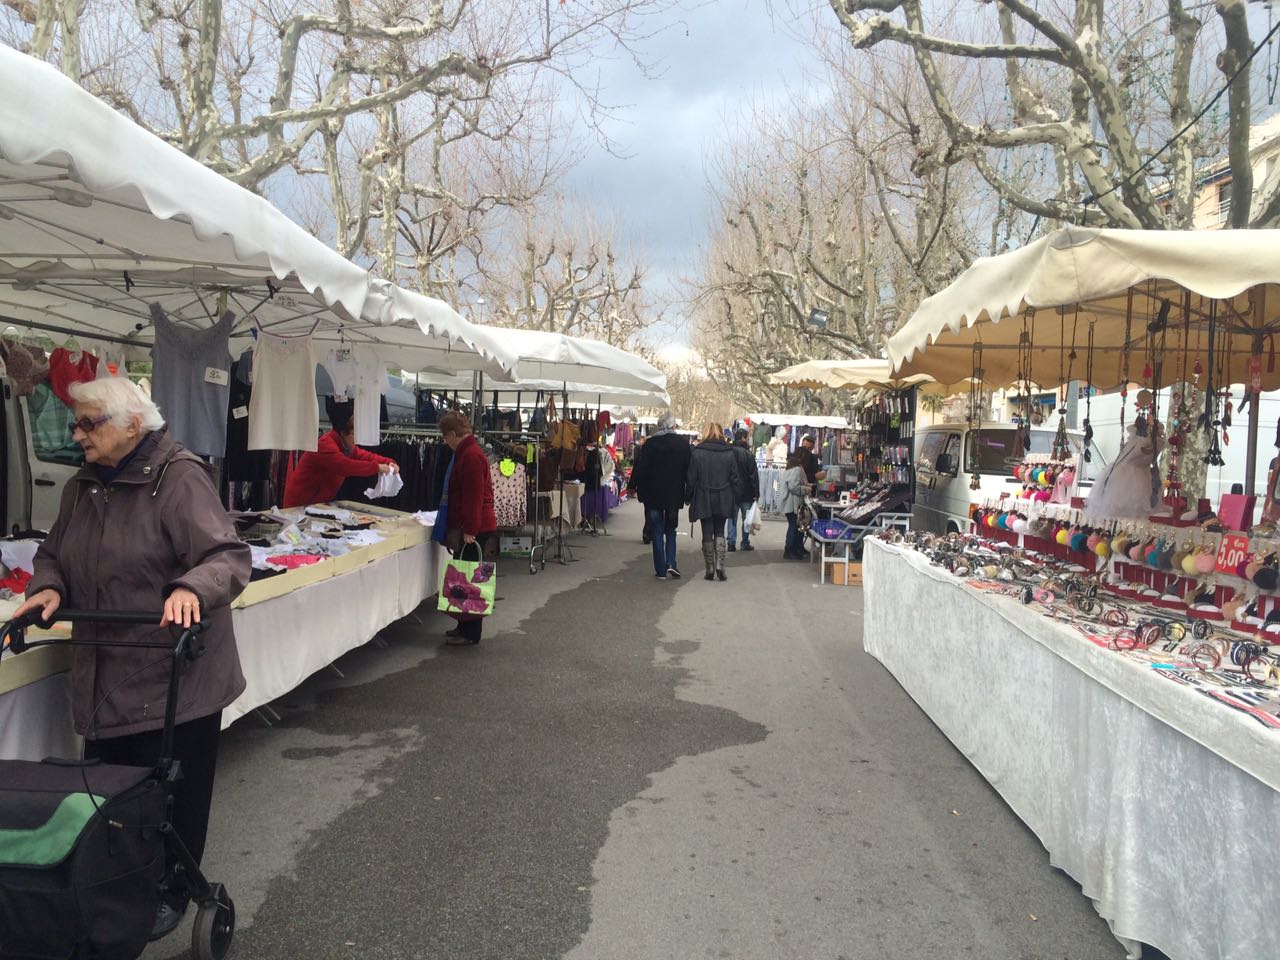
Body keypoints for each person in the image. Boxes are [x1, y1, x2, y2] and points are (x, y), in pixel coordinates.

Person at [15, 377, 251, 940]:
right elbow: (53, 553)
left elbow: (227, 555)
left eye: (88, 423)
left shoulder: (179, 477)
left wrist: (191, 587)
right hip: (104, 670)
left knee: (170, 794)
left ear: (131, 424)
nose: (77, 434)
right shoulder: (82, 487)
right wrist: (47, 586)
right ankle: (116, 881)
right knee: (112, 794)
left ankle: (172, 884)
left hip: (173, 674)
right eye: (78, 423)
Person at [436, 410, 498, 645]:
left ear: (453, 434)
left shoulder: (470, 456)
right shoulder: (470, 453)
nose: (445, 441)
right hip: (475, 525)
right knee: (467, 576)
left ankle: (470, 632)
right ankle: (463, 626)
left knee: (471, 578)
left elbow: (474, 496)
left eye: (445, 437)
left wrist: (470, 529)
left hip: (475, 527)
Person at [282, 414, 398, 507]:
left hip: (316, 504)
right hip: (298, 506)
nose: (356, 439)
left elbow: (365, 455)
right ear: (343, 433)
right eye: (353, 434)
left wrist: (389, 461)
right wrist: (377, 467)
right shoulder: (325, 445)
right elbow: (345, 466)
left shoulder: (344, 446)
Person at [631, 412, 691, 579]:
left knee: (657, 530)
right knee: (671, 529)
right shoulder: (682, 445)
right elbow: (689, 470)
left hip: (653, 494)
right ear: (672, 426)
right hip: (674, 494)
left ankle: (660, 570)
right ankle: (671, 562)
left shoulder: (650, 445)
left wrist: (633, 486)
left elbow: (640, 468)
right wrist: (689, 492)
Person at [686, 422, 744, 582]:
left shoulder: (698, 453)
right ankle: (720, 565)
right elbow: (735, 478)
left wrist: (688, 496)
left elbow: (691, 478)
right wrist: (737, 495)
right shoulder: (729, 452)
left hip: (704, 496)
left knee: (707, 530)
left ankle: (710, 568)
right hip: (724, 495)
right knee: (720, 530)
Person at [725, 428, 760, 552]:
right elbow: (753, 476)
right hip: (747, 492)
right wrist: (756, 493)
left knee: (731, 518)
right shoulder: (748, 455)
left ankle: (731, 542)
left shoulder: (729, 452)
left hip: (731, 491)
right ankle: (744, 542)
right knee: (747, 519)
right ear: (744, 438)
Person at [779, 450, 812, 560]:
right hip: (792, 504)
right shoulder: (797, 469)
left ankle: (795, 548)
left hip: (788, 503)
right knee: (794, 526)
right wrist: (806, 489)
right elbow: (793, 486)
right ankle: (789, 550)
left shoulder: (789, 469)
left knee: (795, 526)